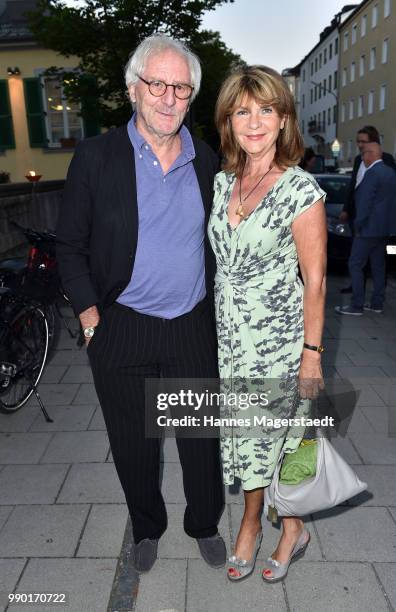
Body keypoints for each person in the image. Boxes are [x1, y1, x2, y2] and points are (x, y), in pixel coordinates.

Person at [56, 33, 226, 573]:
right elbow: (70, 244)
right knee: (133, 443)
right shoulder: (97, 157)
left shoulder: (209, 162)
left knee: (201, 441)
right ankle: (146, 528)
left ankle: (203, 523)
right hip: (122, 326)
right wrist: (88, 314)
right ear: (134, 89)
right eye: (158, 84)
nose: (170, 97)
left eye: (181, 87)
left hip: (191, 326)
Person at [209, 65, 327, 582]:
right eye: (242, 111)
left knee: (283, 444)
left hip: (280, 345)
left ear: (283, 120)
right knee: (250, 440)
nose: (253, 122)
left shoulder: (301, 190)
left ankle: (287, 527)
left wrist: (312, 355)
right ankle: (255, 521)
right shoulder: (221, 183)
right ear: (228, 121)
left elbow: (316, 281)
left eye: (265, 110)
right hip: (233, 344)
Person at [335, 142, 396, 316]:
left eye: (363, 154)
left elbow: (364, 203)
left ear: (370, 154)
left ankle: (357, 305)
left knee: (355, 264)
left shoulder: (372, 174)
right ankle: (377, 303)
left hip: (368, 228)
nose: (362, 158)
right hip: (384, 229)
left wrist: (358, 224)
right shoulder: (391, 172)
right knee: (378, 266)